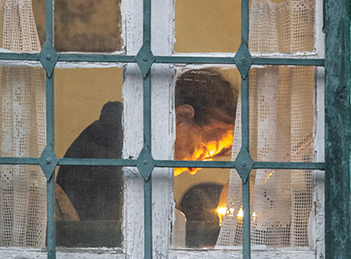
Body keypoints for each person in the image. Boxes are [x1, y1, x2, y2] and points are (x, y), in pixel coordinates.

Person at [56, 68, 237, 223]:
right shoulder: (110, 156)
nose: (194, 169)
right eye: (203, 151)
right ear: (180, 117)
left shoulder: (125, 149)